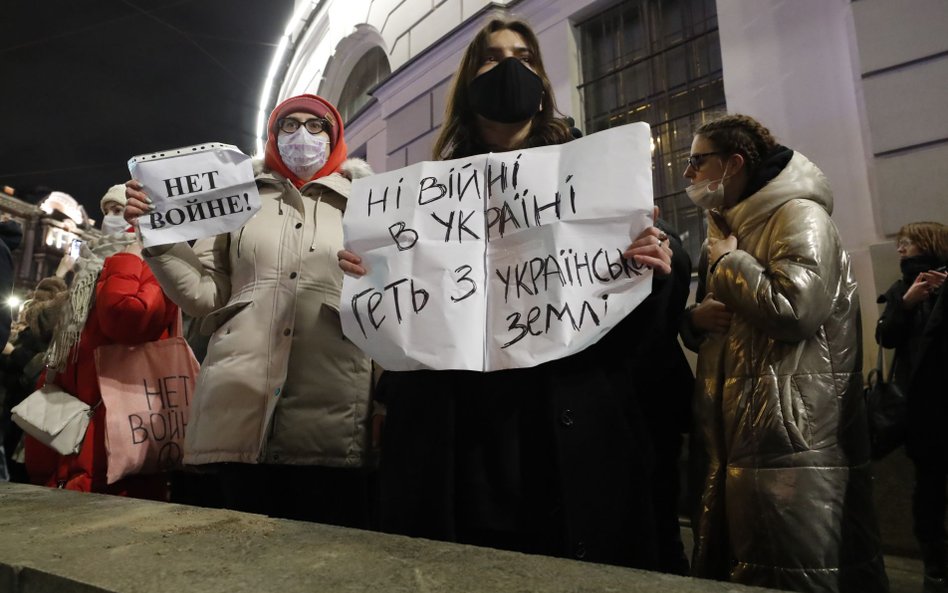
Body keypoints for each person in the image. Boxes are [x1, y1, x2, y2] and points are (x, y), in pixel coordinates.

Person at [338, 18, 677, 569]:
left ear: (542, 78)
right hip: (464, 434)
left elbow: (639, 338)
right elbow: (401, 321)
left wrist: (656, 270)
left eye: (524, 56)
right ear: (469, 80)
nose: (511, 67)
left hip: (564, 425)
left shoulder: (600, 182)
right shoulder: (419, 195)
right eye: (493, 58)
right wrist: (368, 277)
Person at [124, 94, 375, 527]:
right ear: (272, 137)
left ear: (335, 138)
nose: (302, 135)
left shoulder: (368, 203)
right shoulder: (235, 199)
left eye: (317, 126)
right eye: (289, 125)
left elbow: (389, 306)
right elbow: (205, 294)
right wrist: (160, 236)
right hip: (238, 406)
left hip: (333, 413)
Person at [680, 114, 887, 592]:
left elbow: (795, 308)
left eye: (697, 161)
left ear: (733, 164)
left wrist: (730, 262)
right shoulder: (736, 226)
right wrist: (697, 318)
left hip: (792, 443)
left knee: (797, 571)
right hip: (748, 439)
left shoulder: (797, 215)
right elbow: (736, 318)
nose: (689, 175)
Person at [24, 188, 175, 499]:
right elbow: (52, 332)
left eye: (120, 210)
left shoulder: (154, 264)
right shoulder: (89, 269)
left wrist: (130, 257)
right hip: (70, 431)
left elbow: (129, 320)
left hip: (120, 427)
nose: (111, 218)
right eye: (107, 209)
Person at [876, 222, 948, 593]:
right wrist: (906, 305)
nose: (900, 249)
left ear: (930, 244)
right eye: (900, 242)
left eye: (908, 242)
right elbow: (886, 337)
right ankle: (936, 568)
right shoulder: (903, 288)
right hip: (922, 410)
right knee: (929, 492)